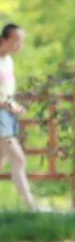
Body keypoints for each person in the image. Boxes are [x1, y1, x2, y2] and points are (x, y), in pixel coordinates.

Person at [0, 24, 37, 211]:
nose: (19, 46)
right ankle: (31, 205)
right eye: (16, 41)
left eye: (21, 42)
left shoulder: (8, 61)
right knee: (18, 158)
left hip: (7, 115)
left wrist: (14, 105)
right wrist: (10, 105)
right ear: (4, 40)